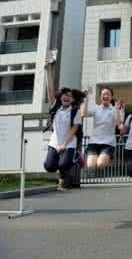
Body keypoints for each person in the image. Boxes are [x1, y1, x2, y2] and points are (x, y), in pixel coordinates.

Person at [43, 56, 83, 191]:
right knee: (49, 167)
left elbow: (74, 129)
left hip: (69, 141)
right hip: (55, 141)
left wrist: (64, 145)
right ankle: (61, 174)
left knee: (64, 163)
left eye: (70, 96)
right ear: (60, 96)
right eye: (65, 94)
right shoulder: (55, 108)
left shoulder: (75, 111)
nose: (67, 97)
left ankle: (75, 159)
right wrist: (48, 70)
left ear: (73, 100)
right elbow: (50, 88)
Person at [81, 87, 123, 171]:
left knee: (100, 164)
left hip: (108, 143)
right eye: (103, 94)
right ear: (100, 97)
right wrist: (85, 101)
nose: (106, 96)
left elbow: (118, 123)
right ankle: (102, 157)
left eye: (108, 94)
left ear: (111, 97)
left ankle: (108, 158)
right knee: (90, 166)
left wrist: (118, 110)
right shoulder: (96, 108)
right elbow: (83, 114)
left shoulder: (114, 110)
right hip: (94, 142)